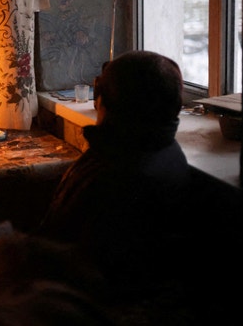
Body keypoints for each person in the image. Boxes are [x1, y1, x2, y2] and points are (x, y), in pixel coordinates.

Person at [35, 50, 197, 301]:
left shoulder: (117, 177)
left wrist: (16, 251)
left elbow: (78, 266)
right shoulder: (157, 148)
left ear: (104, 103)